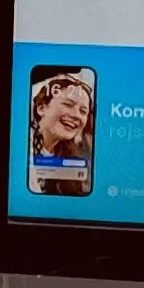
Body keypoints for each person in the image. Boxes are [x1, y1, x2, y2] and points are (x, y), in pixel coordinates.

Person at [26, 66, 95, 194]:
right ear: (41, 108)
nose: (76, 115)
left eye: (83, 111)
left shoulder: (72, 155)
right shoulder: (20, 145)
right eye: (68, 104)